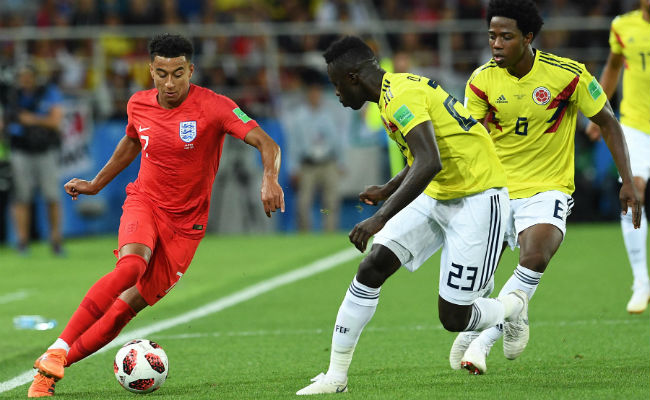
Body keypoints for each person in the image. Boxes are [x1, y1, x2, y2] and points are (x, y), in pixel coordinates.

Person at [27, 33, 285, 398]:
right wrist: (97, 184)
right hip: (145, 202)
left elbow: (267, 142)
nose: (169, 83)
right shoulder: (138, 104)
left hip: (186, 227)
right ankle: (56, 351)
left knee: (122, 312)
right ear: (150, 70)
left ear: (190, 70)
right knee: (131, 267)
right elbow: (132, 141)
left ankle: (51, 366)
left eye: (178, 74)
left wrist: (270, 180)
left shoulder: (215, 107)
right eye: (161, 74)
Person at [297, 35, 529, 395]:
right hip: (438, 192)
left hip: (478, 197)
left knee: (454, 318)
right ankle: (336, 376)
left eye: (337, 84)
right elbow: (427, 154)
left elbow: (429, 160)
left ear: (354, 76)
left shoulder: (399, 98)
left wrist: (380, 217)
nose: (337, 93)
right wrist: (387, 189)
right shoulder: (394, 93)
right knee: (372, 266)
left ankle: (512, 308)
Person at [450, 0, 642, 375]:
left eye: (506, 36)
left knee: (535, 257)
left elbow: (608, 122)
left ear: (528, 37)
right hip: (496, 190)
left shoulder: (567, 75)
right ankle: (511, 312)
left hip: (548, 188)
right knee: (468, 295)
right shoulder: (481, 81)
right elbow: (468, 140)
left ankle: (486, 337)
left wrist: (627, 180)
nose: (497, 44)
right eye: (492, 36)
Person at [585, 0, 650, 314]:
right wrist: (601, 113)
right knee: (632, 192)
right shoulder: (623, 26)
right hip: (637, 126)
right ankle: (641, 281)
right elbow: (612, 66)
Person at [5, 63, 65, 255]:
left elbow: (56, 122)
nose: (25, 79)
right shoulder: (12, 95)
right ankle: (22, 242)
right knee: (21, 197)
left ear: (34, 76)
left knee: (52, 196)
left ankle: (56, 240)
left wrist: (31, 120)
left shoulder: (48, 92)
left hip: (45, 150)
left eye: (28, 75)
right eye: (21, 76)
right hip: (21, 151)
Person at [286, 76, 344, 232]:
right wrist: (293, 168)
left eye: (317, 92)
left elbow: (337, 139)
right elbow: (293, 144)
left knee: (331, 201)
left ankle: (330, 233)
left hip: (328, 161)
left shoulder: (329, 114)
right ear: (307, 94)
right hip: (308, 164)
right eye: (312, 92)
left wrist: (340, 162)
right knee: (304, 203)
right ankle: (305, 235)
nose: (315, 95)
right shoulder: (298, 116)